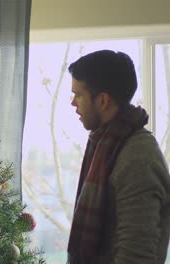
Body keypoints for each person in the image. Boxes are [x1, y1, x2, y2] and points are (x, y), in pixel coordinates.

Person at [66, 50, 170, 264]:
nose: (72, 103)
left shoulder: (137, 158)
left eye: (78, 95)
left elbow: (136, 257)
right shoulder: (106, 145)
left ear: (103, 100)